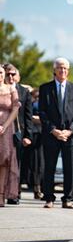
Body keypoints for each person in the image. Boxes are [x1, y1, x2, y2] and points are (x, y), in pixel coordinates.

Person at [39, 58, 73, 209]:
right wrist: (54, 130)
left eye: (65, 68)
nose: (63, 71)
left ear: (68, 71)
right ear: (54, 70)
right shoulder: (45, 89)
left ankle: (67, 198)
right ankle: (49, 198)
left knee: (69, 169)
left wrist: (69, 131)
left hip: (69, 135)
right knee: (49, 167)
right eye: (60, 68)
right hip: (51, 135)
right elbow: (42, 112)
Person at [4, 63, 33, 205]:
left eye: (13, 74)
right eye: (7, 74)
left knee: (16, 165)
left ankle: (14, 193)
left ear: (17, 76)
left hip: (17, 133)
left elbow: (28, 116)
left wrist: (28, 136)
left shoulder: (24, 92)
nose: (10, 76)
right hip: (2, 132)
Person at [0, 65, 21, 207]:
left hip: (6, 129)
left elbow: (15, 109)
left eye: (1, 72)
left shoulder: (11, 89)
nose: (0, 75)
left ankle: (1, 195)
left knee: (4, 161)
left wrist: (4, 126)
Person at [28, 88, 44, 199]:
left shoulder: (44, 104)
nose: (37, 98)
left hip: (43, 134)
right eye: (35, 96)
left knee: (41, 163)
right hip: (33, 134)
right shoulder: (31, 104)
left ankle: (39, 187)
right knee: (34, 163)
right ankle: (35, 186)